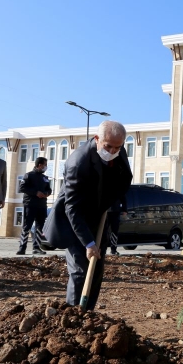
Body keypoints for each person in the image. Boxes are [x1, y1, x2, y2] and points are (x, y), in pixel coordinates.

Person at [42, 121, 132, 310]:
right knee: (81, 270)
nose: (113, 151)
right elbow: (72, 208)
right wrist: (89, 244)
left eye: (118, 147)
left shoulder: (118, 150)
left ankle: (87, 314)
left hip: (99, 216)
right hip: (75, 219)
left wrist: (110, 201)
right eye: (108, 146)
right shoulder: (79, 161)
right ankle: (73, 316)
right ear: (97, 139)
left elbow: (125, 178)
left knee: (97, 270)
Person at [16, 157, 52, 255]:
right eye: (45, 164)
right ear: (39, 165)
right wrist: (36, 193)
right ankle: (22, 248)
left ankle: (37, 247)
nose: (45, 167)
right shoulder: (29, 175)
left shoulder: (45, 178)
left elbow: (49, 189)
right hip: (30, 204)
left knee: (40, 227)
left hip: (42, 205)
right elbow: (22, 187)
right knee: (27, 226)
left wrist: (46, 193)